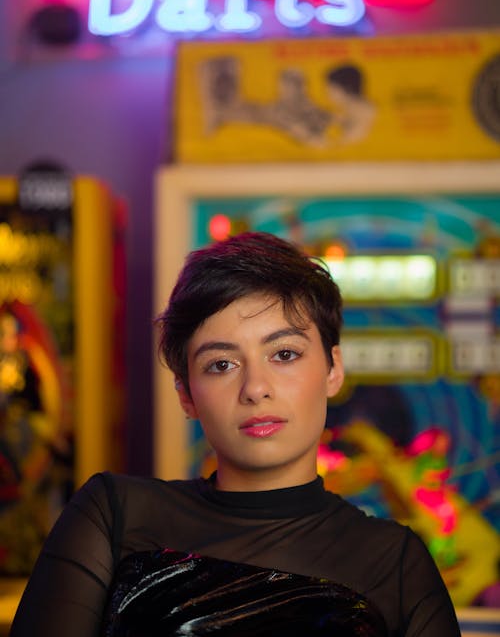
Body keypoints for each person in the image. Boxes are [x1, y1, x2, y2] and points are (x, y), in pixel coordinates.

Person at [10, 232, 461, 636]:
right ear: (187, 395)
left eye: (284, 354)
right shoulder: (112, 516)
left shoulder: (396, 562)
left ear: (333, 369)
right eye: (221, 365)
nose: (256, 388)